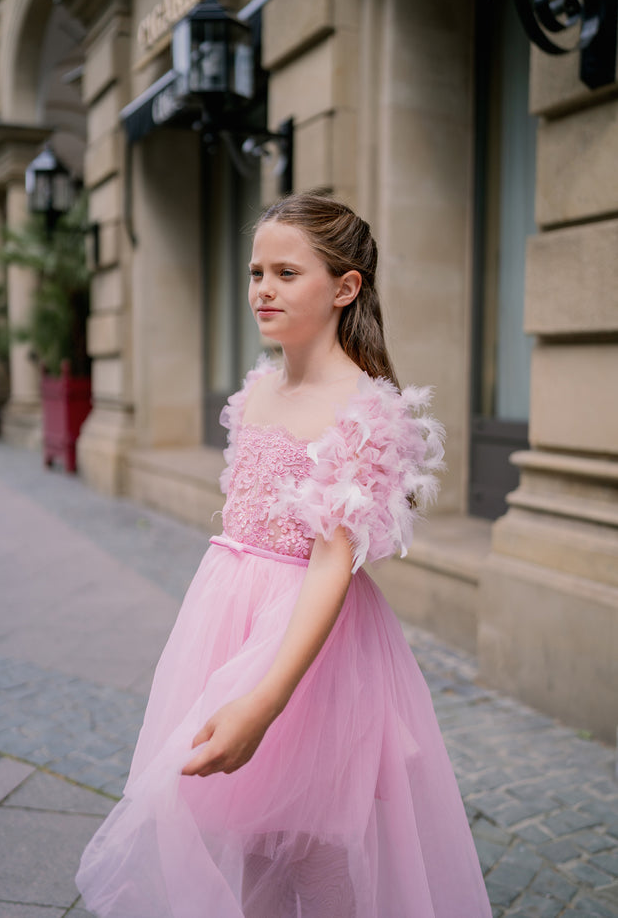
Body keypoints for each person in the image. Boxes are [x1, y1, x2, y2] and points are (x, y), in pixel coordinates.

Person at [76, 191, 492, 917]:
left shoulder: (364, 409)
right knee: (256, 838)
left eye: (285, 273)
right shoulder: (259, 392)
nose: (262, 288)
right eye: (254, 271)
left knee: (317, 848)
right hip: (230, 626)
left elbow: (333, 565)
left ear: (343, 287)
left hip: (311, 648)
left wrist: (263, 702)